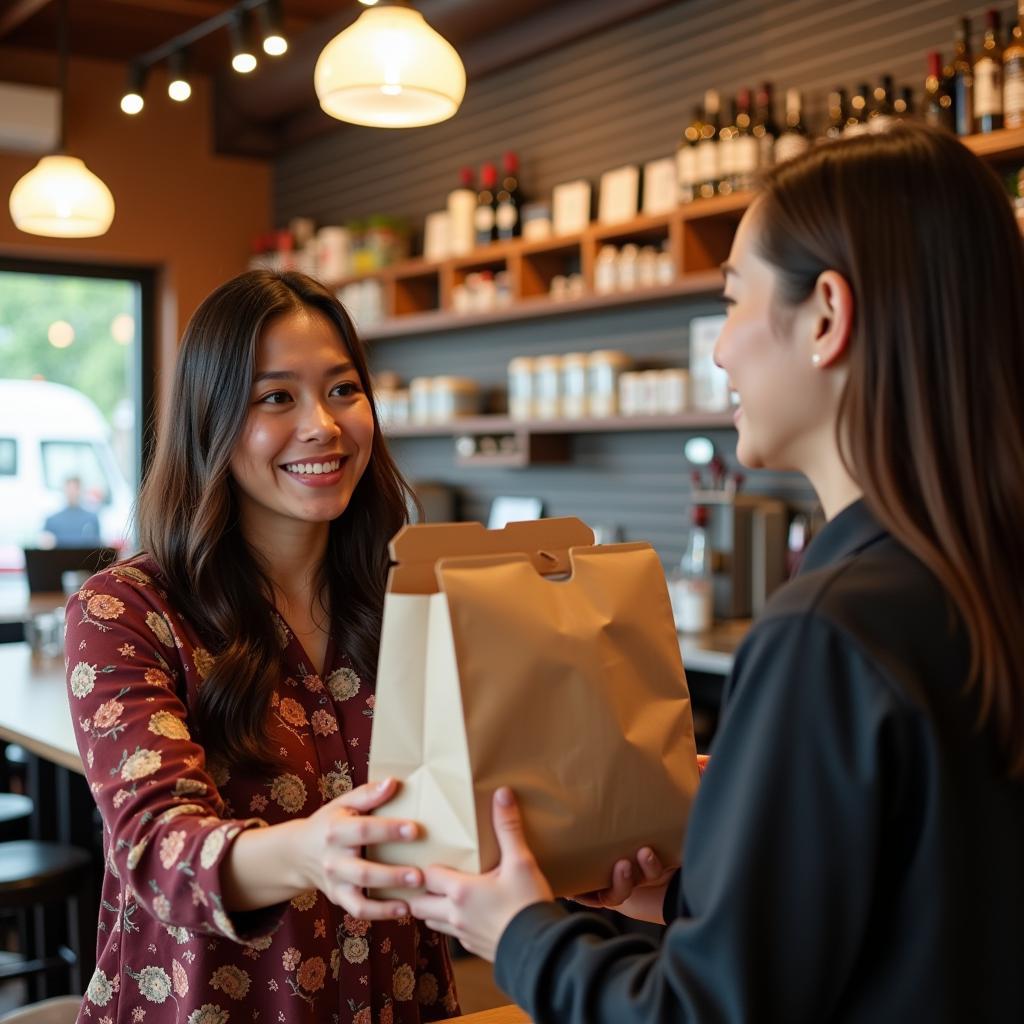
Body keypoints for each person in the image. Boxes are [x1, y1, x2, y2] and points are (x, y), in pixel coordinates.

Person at [405, 123, 1024, 1020]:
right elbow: (919, 921)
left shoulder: (831, 629)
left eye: (734, 301)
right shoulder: (976, 583)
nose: (721, 348)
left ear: (825, 317)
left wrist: (520, 930)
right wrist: (708, 884)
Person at [65, 271, 458, 1023]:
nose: (323, 425)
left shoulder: (410, 596)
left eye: (344, 389)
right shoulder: (127, 610)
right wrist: (311, 852)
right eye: (276, 398)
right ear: (210, 420)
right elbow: (155, 846)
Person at [42, 474, 100, 546]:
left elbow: (97, 547)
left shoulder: (92, 519)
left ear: (81, 490)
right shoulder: (52, 521)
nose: (72, 492)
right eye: (69, 488)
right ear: (64, 490)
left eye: (75, 488)